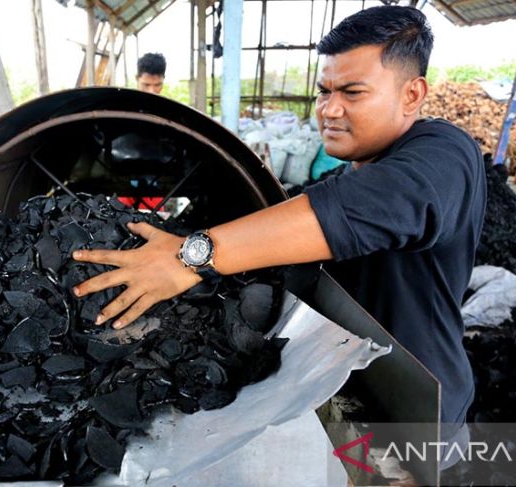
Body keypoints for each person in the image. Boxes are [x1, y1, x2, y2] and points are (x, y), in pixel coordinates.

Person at [72, 5, 485, 468]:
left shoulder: (445, 156)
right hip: (337, 397)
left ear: (412, 95)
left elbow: (370, 207)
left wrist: (187, 257)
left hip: (413, 420)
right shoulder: (342, 179)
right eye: (324, 91)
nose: (329, 109)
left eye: (352, 92)